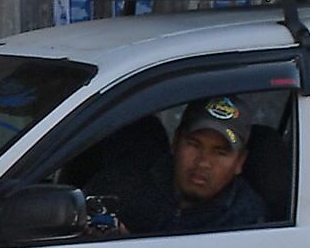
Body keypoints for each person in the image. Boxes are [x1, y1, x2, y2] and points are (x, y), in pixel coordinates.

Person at [86, 96, 268, 235]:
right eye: (194, 145)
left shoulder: (246, 222)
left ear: (239, 162)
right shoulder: (129, 180)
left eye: (220, 152)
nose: (203, 162)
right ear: (175, 142)